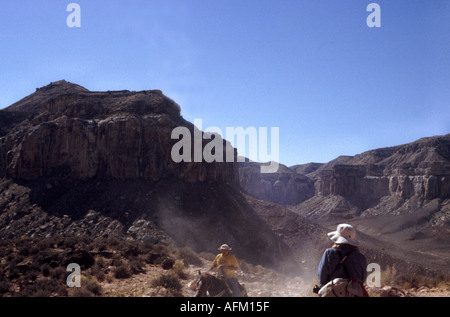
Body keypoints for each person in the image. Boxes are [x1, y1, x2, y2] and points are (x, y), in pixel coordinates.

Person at [317, 224, 368, 291]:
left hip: (334, 293)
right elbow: (362, 279)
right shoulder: (361, 257)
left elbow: (322, 278)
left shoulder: (329, 253)